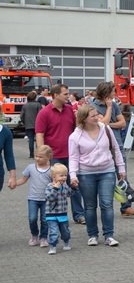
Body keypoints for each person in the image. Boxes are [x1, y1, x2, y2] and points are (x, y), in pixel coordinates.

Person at [69, 105, 126, 247]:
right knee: (90, 206)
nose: (96, 117)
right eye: (92, 116)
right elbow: (73, 157)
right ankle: (92, 235)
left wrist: (121, 167)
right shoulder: (75, 136)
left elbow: (115, 148)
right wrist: (73, 175)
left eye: (96, 115)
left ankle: (109, 235)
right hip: (86, 173)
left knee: (107, 204)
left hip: (107, 170)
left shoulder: (105, 129)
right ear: (83, 119)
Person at [34, 84, 85, 224]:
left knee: (75, 185)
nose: (68, 96)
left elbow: (77, 130)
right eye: (65, 94)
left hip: (72, 155)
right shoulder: (44, 113)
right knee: (55, 186)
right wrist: (42, 156)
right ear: (55, 95)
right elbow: (40, 134)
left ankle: (79, 215)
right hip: (54, 156)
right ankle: (53, 215)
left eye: (68, 94)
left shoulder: (70, 110)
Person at [91, 81, 134, 217]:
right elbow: (103, 123)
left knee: (122, 176)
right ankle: (104, 207)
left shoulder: (115, 105)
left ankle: (126, 207)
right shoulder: (93, 106)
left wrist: (107, 123)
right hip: (103, 148)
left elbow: (122, 123)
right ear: (106, 92)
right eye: (113, 91)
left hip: (117, 145)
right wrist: (109, 108)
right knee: (107, 178)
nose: (115, 94)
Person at [12, 144, 52, 246]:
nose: (37, 158)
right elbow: (23, 179)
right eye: (36, 156)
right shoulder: (30, 167)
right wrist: (15, 183)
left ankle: (43, 237)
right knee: (32, 218)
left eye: (41, 157)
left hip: (47, 199)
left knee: (45, 219)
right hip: (33, 198)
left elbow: (55, 183)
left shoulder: (52, 170)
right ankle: (34, 235)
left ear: (49, 157)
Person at [43, 163, 73, 254]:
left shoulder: (64, 186)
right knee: (53, 232)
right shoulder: (49, 186)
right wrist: (55, 189)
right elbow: (50, 198)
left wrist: (74, 188)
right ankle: (53, 246)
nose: (64, 178)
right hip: (51, 215)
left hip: (62, 214)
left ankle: (66, 242)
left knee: (65, 231)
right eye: (61, 176)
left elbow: (69, 194)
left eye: (65, 175)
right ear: (53, 177)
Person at [19, 91, 42, 158]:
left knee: (30, 139)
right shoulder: (38, 104)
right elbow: (41, 115)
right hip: (37, 124)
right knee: (38, 139)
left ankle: (31, 154)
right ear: (35, 97)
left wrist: (24, 122)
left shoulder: (25, 106)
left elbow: (22, 116)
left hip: (28, 125)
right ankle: (38, 153)